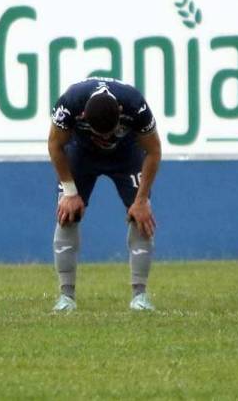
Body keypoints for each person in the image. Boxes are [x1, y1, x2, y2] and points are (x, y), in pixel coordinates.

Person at [47, 78, 161, 312]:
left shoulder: (135, 105)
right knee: (67, 214)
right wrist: (69, 192)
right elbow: (54, 145)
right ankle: (66, 297)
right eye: (99, 134)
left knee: (141, 217)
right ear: (84, 117)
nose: (105, 140)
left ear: (120, 113)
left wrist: (141, 200)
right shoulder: (69, 103)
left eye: (110, 133)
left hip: (126, 154)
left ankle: (140, 297)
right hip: (82, 153)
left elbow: (153, 150)